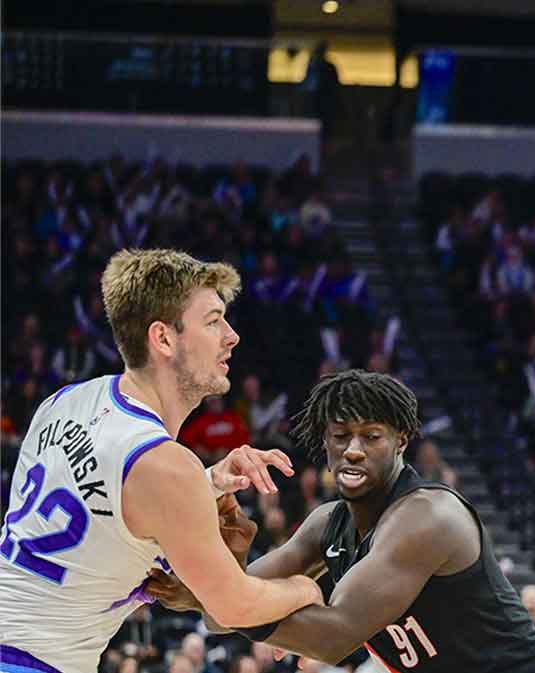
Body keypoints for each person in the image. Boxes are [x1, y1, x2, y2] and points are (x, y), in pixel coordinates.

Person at [0, 249, 321, 673]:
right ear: (164, 338)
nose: (231, 335)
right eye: (213, 321)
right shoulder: (163, 466)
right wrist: (305, 591)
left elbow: (107, 504)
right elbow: (232, 606)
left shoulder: (66, 401)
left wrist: (209, 481)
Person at [147, 370, 535, 673]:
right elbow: (222, 617)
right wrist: (228, 564)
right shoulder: (326, 524)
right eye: (341, 435)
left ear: (401, 440)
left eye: (371, 436)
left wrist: (285, 594)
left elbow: (333, 638)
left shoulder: (427, 518)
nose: (352, 450)